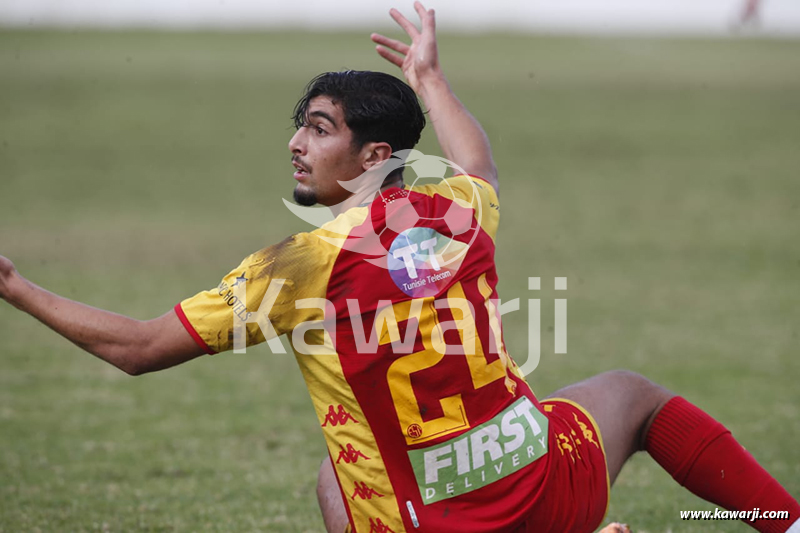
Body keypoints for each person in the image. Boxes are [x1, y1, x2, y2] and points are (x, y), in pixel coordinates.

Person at [0, 3, 797, 532]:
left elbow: (137, 348)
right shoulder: (458, 208)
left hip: (441, 522)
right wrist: (430, 78)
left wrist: (15, 286)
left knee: (339, 481)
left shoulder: (302, 262)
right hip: (548, 489)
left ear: (374, 154)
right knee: (632, 394)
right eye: (300, 127)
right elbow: (478, 159)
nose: (296, 144)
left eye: (317, 129)